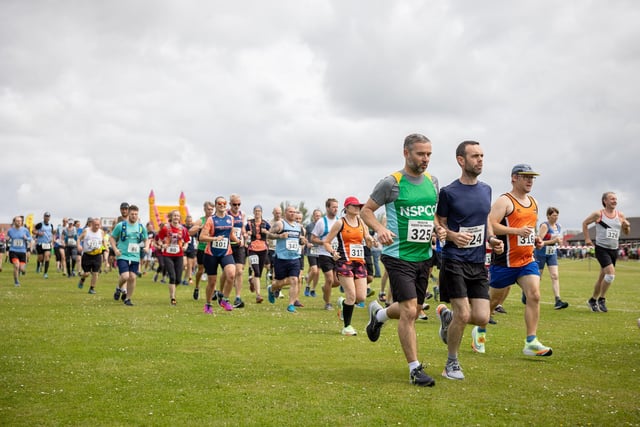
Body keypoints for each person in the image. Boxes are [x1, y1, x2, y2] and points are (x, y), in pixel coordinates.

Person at [360, 133, 444, 387]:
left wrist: (437, 228)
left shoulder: (433, 182)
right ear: (406, 153)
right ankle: (414, 369)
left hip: (423, 256)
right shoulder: (391, 183)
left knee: (415, 309)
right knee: (409, 311)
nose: (425, 158)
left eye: (429, 153)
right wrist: (380, 229)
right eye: (420, 153)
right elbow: (366, 211)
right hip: (397, 255)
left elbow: (432, 214)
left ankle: (380, 316)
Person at [432, 140, 504, 380]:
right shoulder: (449, 192)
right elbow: (439, 222)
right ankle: (451, 363)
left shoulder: (486, 190)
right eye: (475, 156)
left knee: (482, 317)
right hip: (454, 259)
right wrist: (451, 235)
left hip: (477, 261)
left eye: (482, 155)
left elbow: (484, 221)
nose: (480, 160)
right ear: (461, 160)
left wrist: (492, 239)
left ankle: (447, 318)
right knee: (464, 314)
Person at [479, 164, 553, 357]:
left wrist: (535, 238)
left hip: (527, 260)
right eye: (525, 177)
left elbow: (529, 228)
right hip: (505, 262)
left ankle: (531, 341)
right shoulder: (505, 201)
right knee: (492, 302)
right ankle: (479, 329)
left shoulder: (534, 202)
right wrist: (515, 231)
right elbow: (492, 225)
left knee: (534, 295)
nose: (530, 181)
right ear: (514, 178)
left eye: (532, 177)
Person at [323, 196, 372, 336]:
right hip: (344, 262)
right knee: (352, 295)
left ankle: (342, 302)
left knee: (361, 297)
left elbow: (367, 240)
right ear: (347, 207)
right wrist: (333, 252)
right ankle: (347, 327)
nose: (358, 208)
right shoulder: (340, 223)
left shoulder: (361, 222)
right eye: (355, 206)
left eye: (359, 206)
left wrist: (369, 239)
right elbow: (326, 242)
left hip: (359, 262)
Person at [582, 192, 631, 312]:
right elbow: (585, 223)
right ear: (605, 201)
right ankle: (602, 299)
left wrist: (626, 226)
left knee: (602, 278)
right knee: (610, 275)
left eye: (616, 199)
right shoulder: (598, 214)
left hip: (614, 249)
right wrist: (587, 239)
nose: (615, 201)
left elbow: (626, 233)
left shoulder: (620, 215)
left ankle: (592, 300)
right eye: (612, 199)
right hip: (601, 248)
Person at [199, 196, 238, 313]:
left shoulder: (230, 218)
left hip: (226, 252)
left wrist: (238, 240)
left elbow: (230, 234)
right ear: (216, 205)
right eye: (220, 203)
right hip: (211, 254)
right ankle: (208, 304)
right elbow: (201, 237)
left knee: (231, 275)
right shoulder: (211, 220)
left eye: (224, 203)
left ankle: (224, 299)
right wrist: (215, 238)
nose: (222, 205)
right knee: (212, 282)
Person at [267, 205, 306, 313]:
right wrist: (280, 236)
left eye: (294, 212)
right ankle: (271, 289)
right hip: (281, 258)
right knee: (278, 283)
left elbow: (300, 240)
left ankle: (291, 305)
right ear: (285, 213)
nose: (292, 213)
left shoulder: (299, 227)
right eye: (290, 212)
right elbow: (269, 235)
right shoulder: (280, 224)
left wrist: (302, 241)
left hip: (295, 258)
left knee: (295, 280)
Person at [109, 205, 148, 306]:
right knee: (125, 276)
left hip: (134, 255)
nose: (134, 216)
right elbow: (112, 238)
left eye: (136, 214)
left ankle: (128, 299)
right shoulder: (121, 225)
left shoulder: (141, 227)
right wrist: (115, 249)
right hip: (122, 255)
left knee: (133, 277)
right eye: (132, 214)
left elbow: (146, 239)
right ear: (128, 214)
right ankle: (118, 287)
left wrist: (147, 247)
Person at [534, 207, 569, 310]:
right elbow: (539, 242)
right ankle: (527, 295)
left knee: (555, 276)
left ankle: (558, 300)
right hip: (541, 253)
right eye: (553, 215)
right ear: (548, 216)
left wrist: (559, 241)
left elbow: (556, 239)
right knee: (537, 277)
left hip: (552, 253)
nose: (556, 217)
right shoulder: (545, 226)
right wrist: (553, 241)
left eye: (557, 215)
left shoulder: (558, 226)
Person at [156, 210, 190, 306]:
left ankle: (173, 289)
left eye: (178, 216)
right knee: (172, 277)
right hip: (168, 255)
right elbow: (159, 240)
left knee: (178, 279)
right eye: (174, 216)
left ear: (180, 218)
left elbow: (187, 241)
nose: (176, 217)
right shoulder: (165, 228)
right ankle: (173, 298)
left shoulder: (183, 229)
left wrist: (185, 247)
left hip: (179, 255)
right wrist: (162, 245)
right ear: (171, 217)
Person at [219, 194, 247, 308]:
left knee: (239, 271)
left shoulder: (242, 214)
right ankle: (220, 292)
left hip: (239, 245)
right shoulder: (226, 213)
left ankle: (238, 297)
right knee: (227, 272)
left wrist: (244, 236)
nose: (237, 206)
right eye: (234, 204)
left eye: (239, 204)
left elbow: (242, 228)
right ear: (230, 204)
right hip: (228, 245)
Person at [311, 198, 340, 310]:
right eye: (333, 207)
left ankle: (325, 288)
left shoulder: (339, 220)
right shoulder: (321, 222)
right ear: (327, 208)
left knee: (337, 282)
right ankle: (328, 303)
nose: (335, 209)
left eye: (337, 207)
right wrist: (323, 242)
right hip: (324, 254)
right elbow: (313, 238)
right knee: (329, 279)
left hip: (337, 254)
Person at [189, 201, 215, 300]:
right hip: (202, 248)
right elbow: (190, 232)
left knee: (212, 271)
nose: (210, 211)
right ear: (204, 209)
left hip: (212, 248)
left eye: (212, 209)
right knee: (201, 270)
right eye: (209, 209)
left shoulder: (215, 220)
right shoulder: (201, 220)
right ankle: (197, 287)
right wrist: (199, 227)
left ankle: (213, 291)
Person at [246, 205, 271, 303]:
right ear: (253, 212)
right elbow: (244, 232)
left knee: (259, 273)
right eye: (256, 211)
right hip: (252, 248)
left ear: (261, 212)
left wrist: (267, 232)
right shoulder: (249, 223)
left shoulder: (265, 223)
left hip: (263, 249)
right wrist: (246, 234)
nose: (257, 213)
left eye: (259, 211)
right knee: (256, 271)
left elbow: (272, 232)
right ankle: (258, 295)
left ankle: (252, 281)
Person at [77, 218, 105, 294]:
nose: (97, 226)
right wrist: (79, 245)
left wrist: (105, 247)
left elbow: (103, 240)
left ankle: (91, 288)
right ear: (91, 224)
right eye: (95, 225)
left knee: (96, 273)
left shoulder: (101, 232)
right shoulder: (86, 231)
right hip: (87, 255)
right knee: (87, 273)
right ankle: (82, 279)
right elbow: (79, 239)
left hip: (97, 255)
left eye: (98, 225)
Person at [7, 216, 32, 286]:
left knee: (22, 269)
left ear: (21, 222)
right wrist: (7, 238)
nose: (18, 222)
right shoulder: (10, 230)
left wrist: (26, 238)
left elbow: (30, 238)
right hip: (13, 251)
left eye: (20, 221)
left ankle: (23, 271)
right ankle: (16, 282)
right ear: (14, 222)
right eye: (17, 221)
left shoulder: (25, 230)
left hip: (22, 251)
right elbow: (7, 238)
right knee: (16, 266)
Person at [303, 209, 322, 297]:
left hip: (320, 250)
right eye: (316, 215)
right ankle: (307, 286)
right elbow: (304, 237)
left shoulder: (323, 226)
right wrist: (307, 243)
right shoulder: (309, 226)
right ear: (313, 216)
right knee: (314, 270)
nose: (318, 217)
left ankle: (313, 290)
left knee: (317, 272)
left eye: (319, 216)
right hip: (311, 250)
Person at [34, 211, 54, 278]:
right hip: (40, 244)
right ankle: (38, 266)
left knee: (47, 257)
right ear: (44, 217)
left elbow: (52, 233)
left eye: (48, 217)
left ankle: (45, 273)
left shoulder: (51, 225)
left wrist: (52, 239)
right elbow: (33, 231)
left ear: (49, 218)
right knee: (40, 258)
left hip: (47, 244)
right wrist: (38, 233)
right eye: (46, 216)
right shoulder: (40, 224)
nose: (47, 218)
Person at [182, 215, 197, 286]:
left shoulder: (194, 229)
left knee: (189, 265)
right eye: (188, 221)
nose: (189, 223)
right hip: (184, 247)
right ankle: (186, 278)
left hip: (191, 248)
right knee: (184, 264)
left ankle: (186, 279)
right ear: (185, 221)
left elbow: (196, 239)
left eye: (190, 221)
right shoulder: (182, 228)